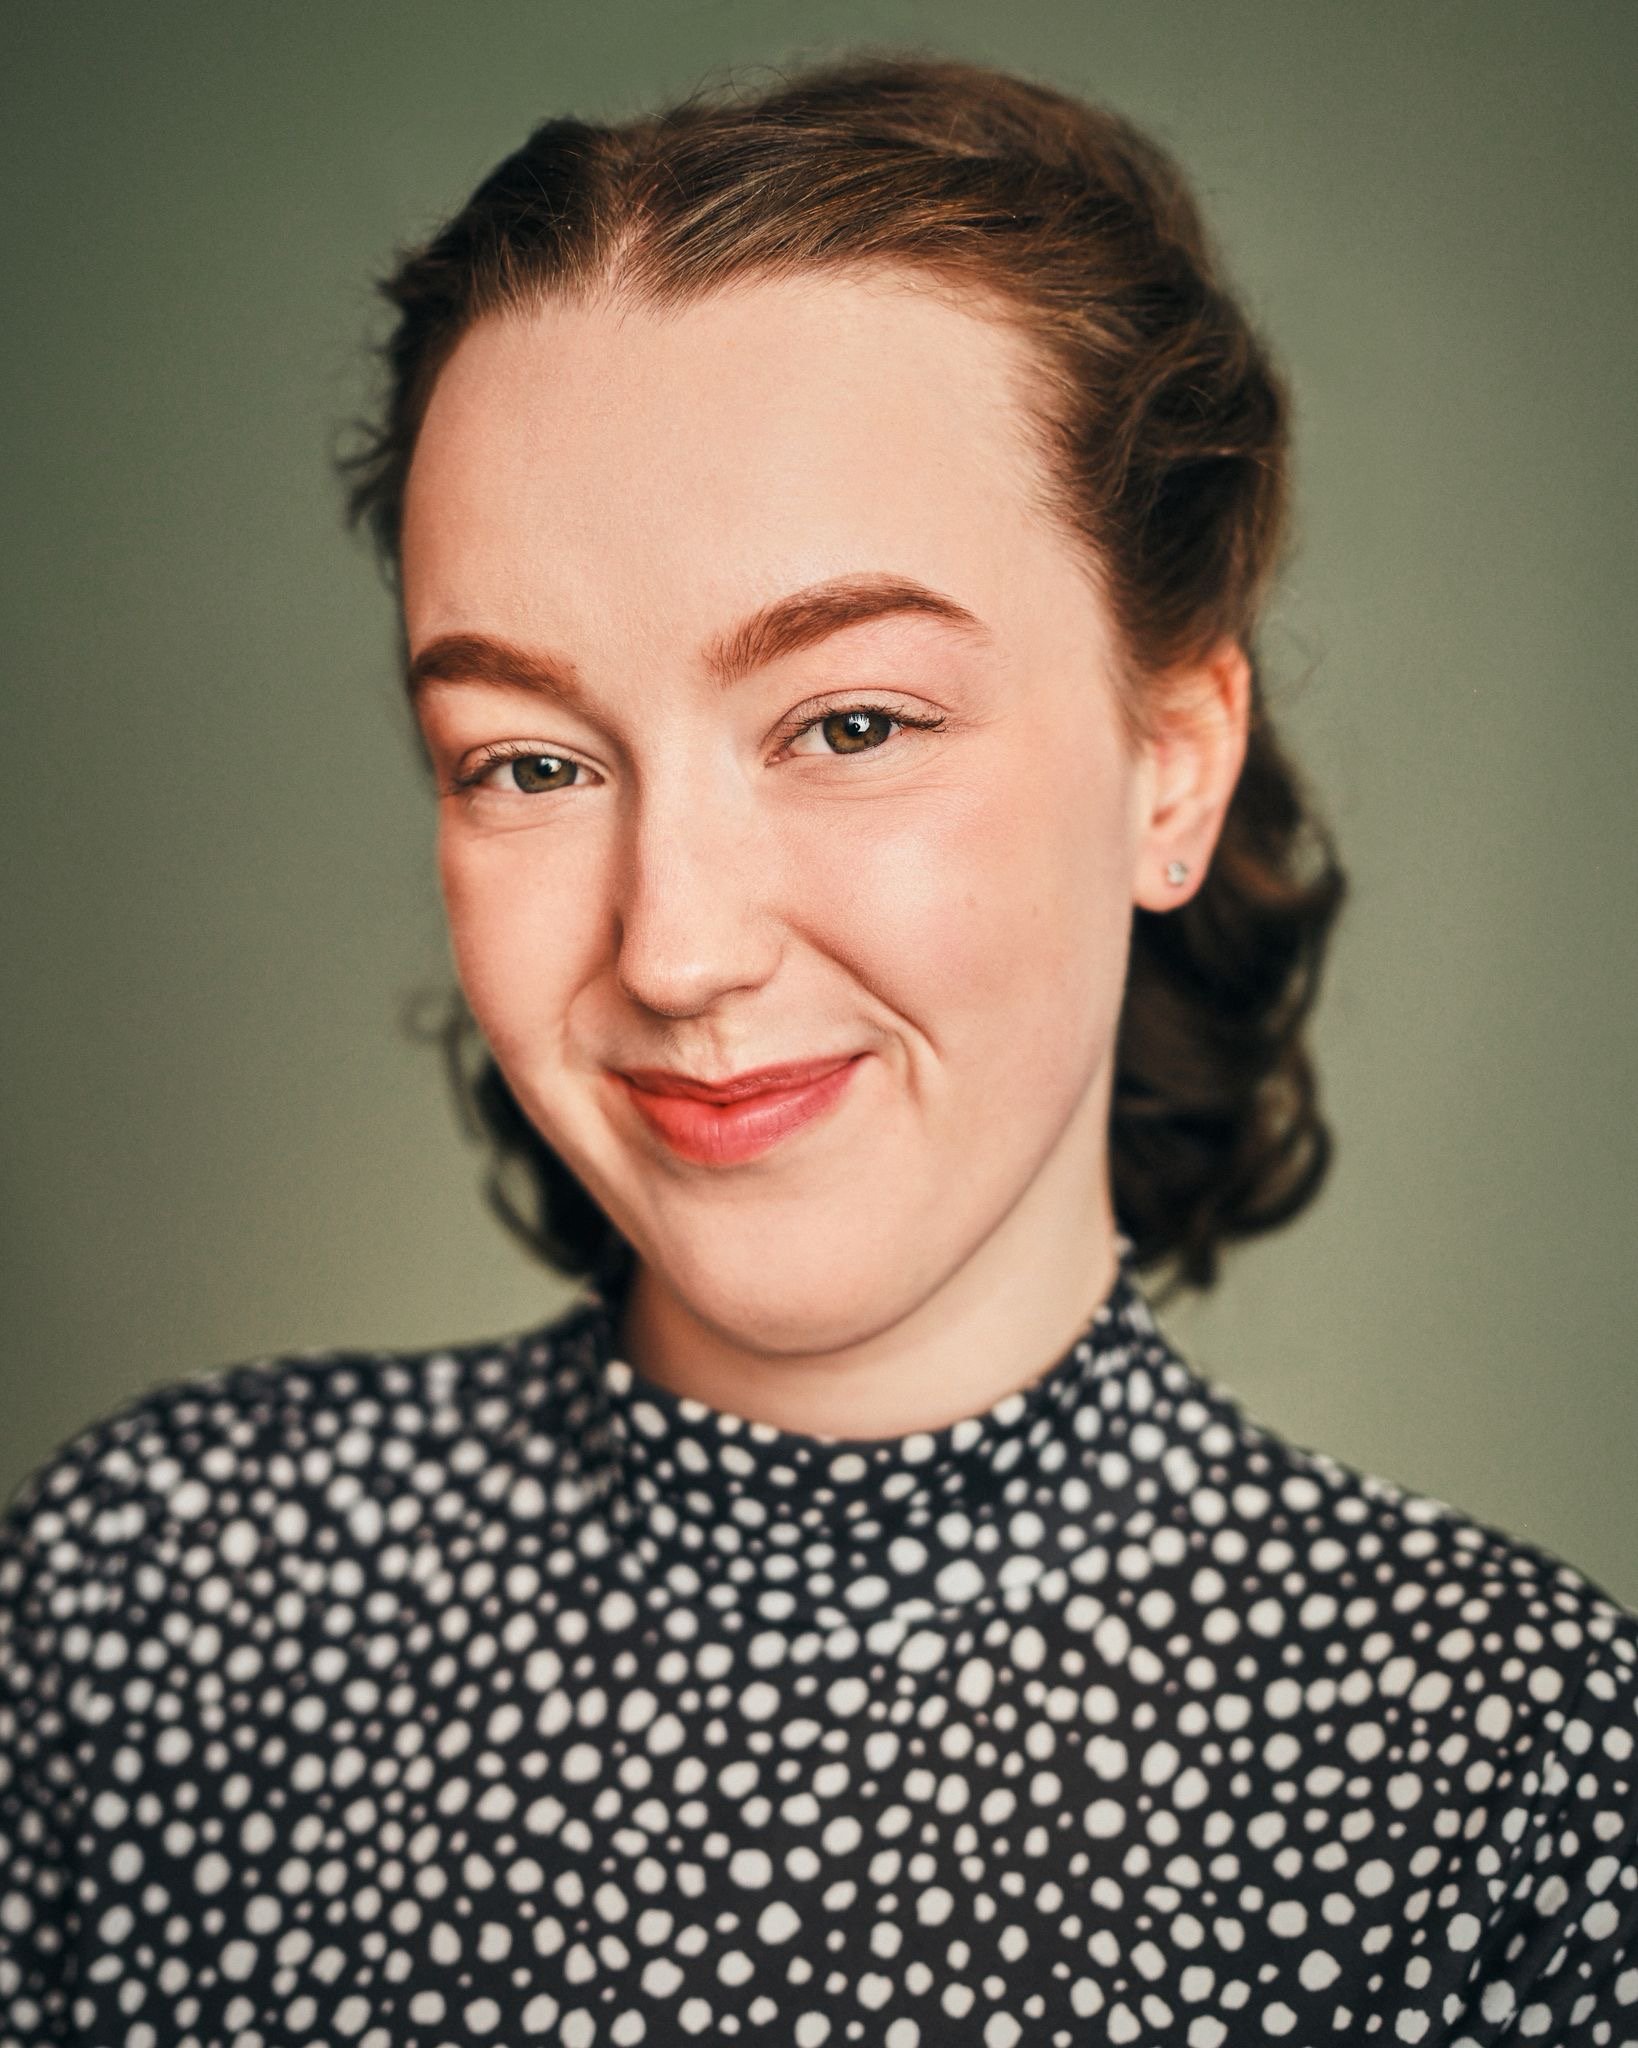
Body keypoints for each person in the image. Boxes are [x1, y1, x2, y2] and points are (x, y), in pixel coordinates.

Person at [1, 49, 1633, 2047]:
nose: (676, 945)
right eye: (529, 758)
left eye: (851, 723)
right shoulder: (149, 1603)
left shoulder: (1512, 1784)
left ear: (1169, 766)